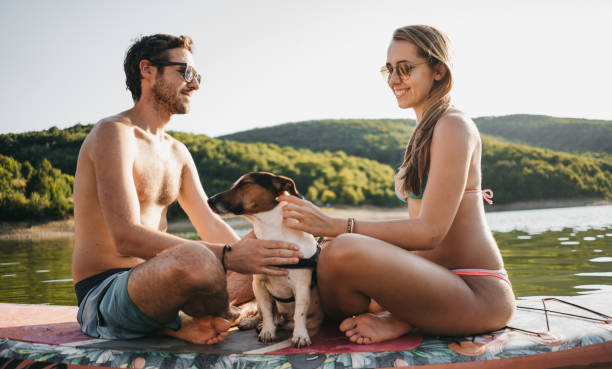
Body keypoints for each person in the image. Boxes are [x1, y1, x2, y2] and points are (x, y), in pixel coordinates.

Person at [278, 25, 515, 344]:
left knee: (343, 247)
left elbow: (430, 232)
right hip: (431, 283)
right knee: (327, 254)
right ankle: (396, 315)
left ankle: (401, 319)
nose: (393, 80)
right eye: (389, 69)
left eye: (405, 69)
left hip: (476, 290)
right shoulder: (423, 131)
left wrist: (337, 224)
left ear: (438, 71)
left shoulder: (453, 126)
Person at [72, 34, 303, 344]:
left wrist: (255, 255)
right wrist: (232, 257)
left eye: (198, 77)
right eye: (186, 73)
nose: (195, 85)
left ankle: (232, 313)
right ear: (148, 71)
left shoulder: (177, 152)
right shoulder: (113, 134)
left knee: (274, 240)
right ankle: (215, 317)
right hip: (105, 294)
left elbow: (209, 223)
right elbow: (125, 236)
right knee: (197, 257)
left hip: (163, 280)